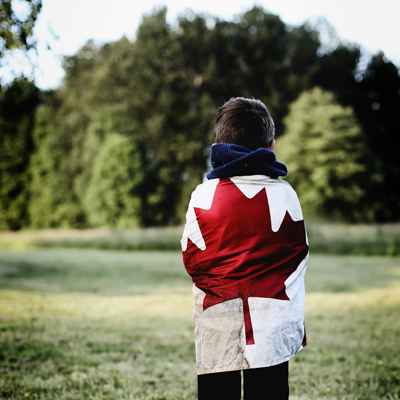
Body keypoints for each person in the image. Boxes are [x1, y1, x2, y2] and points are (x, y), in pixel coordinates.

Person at [181, 97, 309, 400]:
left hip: (218, 313)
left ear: (218, 141)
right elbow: (298, 254)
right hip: (272, 317)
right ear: (271, 145)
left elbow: (192, 258)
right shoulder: (286, 194)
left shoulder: (203, 195)